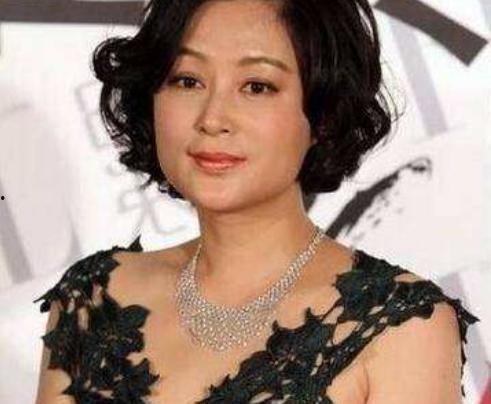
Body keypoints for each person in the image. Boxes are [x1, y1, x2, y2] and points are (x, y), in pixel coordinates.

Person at [33, 0, 480, 403]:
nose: (212, 118)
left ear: (322, 115)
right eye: (187, 80)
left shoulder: (400, 326)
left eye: (257, 86)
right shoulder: (93, 298)